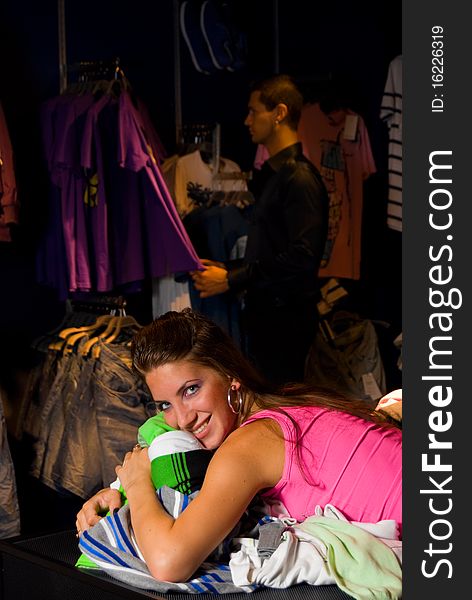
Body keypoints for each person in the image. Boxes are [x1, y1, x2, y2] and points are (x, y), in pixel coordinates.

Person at [76, 309, 402, 584]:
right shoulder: (285, 406)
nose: (182, 419)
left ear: (229, 375)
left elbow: (168, 563)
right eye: (165, 405)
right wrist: (115, 493)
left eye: (191, 390)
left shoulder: (251, 443)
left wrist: (136, 486)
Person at [191, 74, 329, 385]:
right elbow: (274, 250)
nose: (246, 120)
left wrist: (231, 278)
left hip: (285, 321)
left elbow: (302, 258)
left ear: (279, 113)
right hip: (269, 317)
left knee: (280, 408)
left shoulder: (299, 178)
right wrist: (228, 270)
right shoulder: (278, 175)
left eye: (254, 111)